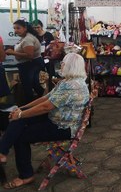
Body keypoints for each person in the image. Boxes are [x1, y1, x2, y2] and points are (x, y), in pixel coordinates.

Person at [0, 53, 89, 189]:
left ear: (70, 66)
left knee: (20, 136)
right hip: (56, 120)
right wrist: (21, 109)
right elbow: (46, 98)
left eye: (64, 63)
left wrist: (21, 114)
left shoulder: (72, 86)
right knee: (19, 120)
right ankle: (2, 152)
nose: (62, 65)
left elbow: (46, 106)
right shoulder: (69, 82)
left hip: (63, 128)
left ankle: (26, 175)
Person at [5, 20, 45, 104]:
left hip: (29, 65)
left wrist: (12, 52)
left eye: (18, 28)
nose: (16, 30)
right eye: (14, 28)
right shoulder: (25, 37)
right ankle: (42, 102)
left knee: (27, 86)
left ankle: (28, 106)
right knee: (34, 84)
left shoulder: (28, 39)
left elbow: (29, 55)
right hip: (30, 64)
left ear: (25, 28)